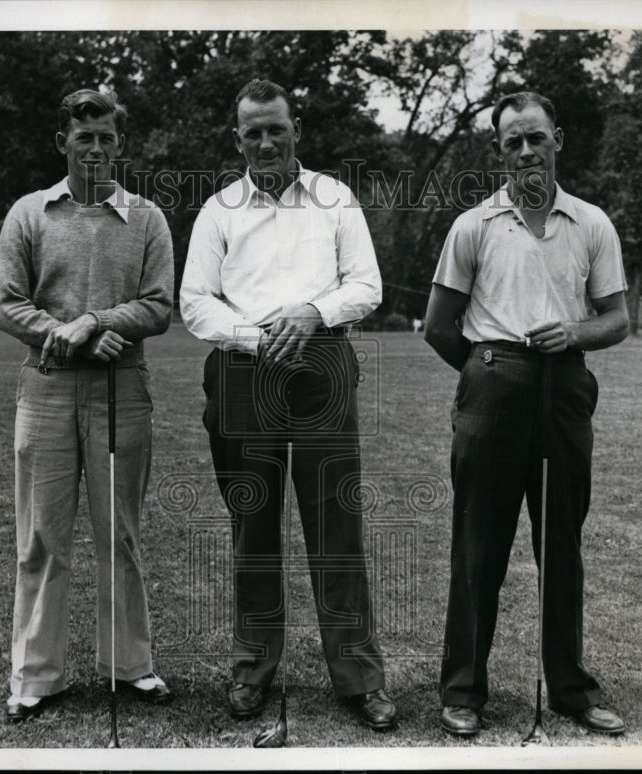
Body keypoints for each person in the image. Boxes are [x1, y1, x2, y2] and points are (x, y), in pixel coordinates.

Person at [179, 78, 397, 731]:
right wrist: (256, 335)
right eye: (253, 133)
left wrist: (310, 312)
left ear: (295, 125)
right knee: (253, 527)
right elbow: (195, 302)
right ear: (237, 137)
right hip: (243, 374)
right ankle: (251, 668)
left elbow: (366, 285)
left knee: (336, 528)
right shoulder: (219, 209)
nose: (266, 142)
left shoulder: (334, 198)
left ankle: (358, 676)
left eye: (276, 128)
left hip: (323, 366)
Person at [424, 91, 629, 738]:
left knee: (560, 545)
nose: (525, 151)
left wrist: (572, 334)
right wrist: (490, 371)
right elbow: (437, 325)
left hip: (564, 390)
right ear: (499, 151)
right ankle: (463, 690)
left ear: (558, 140)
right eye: (512, 142)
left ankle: (570, 689)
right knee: (478, 548)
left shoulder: (591, 223)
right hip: (491, 389)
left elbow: (618, 319)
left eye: (535, 138)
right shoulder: (474, 225)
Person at [0, 89, 174, 721]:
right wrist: (65, 336)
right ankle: (35, 677)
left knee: (119, 533)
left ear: (120, 145)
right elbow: (6, 305)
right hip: (45, 386)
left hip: (124, 390)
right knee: (42, 537)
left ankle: (131, 667)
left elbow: (158, 305)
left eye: (105, 137)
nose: (94, 148)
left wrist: (94, 321)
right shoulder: (29, 214)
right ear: (62, 142)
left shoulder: (147, 217)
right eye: (82, 136)